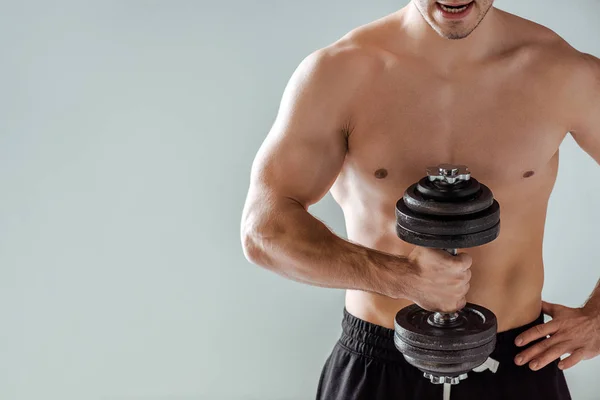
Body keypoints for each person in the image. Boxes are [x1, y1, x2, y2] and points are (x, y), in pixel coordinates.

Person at [240, 1, 600, 398]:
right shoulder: (341, 72)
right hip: (379, 363)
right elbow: (265, 230)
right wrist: (402, 277)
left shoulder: (563, 73)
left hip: (516, 363)